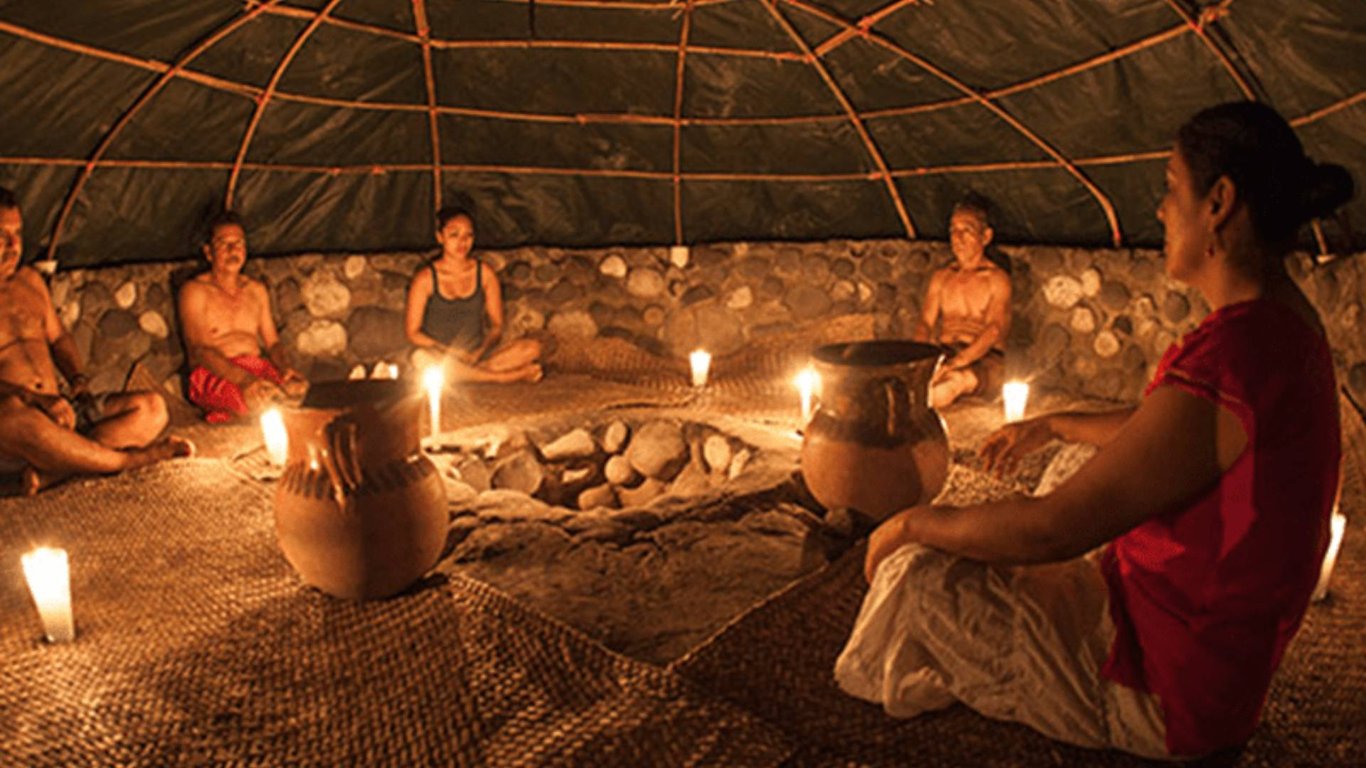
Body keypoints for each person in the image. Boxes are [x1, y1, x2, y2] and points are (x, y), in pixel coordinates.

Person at [836, 101, 1353, 759]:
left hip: (1167, 692)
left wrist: (910, 523)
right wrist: (1055, 425)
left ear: (1218, 202)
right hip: (1204, 653)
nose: (1162, 211)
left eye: (1171, 188)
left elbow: (1053, 530)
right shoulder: (1281, 325)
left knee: (914, 573)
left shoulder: (1238, 355)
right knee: (1069, 459)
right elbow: (1171, 432)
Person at [0, 186, 191, 494]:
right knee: (11, 415)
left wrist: (77, 380)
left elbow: (59, 337)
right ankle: (125, 461)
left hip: (61, 410)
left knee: (153, 407)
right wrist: (35, 398)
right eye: (1, 235)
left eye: (17, 234)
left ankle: (54, 473)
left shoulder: (30, 282)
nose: (13, 245)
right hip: (17, 425)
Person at [178, 211, 307, 423]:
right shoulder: (194, 291)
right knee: (256, 403)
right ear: (209, 252)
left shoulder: (256, 290)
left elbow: (273, 342)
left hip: (255, 369)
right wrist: (245, 381)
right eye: (224, 244)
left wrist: (285, 370)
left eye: (238, 244)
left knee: (294, 395)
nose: (232, 250)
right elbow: (200, 351)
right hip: (214, 373)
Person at [405, 207, 542, 383]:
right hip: (441, 354)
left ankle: (472, 374)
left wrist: (479, 351)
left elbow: (497, 326)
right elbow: (413, 333)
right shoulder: (425, 279)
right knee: (421, 358)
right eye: (454, 235)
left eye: (468, 235)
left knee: (532, 348)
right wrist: (450, 351)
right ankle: (504, 377)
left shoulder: (484, 273)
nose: (462, 242)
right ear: (440, 237)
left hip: (476, 354)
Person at [913, 195, 1012, 409]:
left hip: (985, 358)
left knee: (955, 381)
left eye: (966, 230)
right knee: (909, 381)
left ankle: (923, 405)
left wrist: (956, 363)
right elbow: (926, 323)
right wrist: (920, 361)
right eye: (953, 230)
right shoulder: (942, 277)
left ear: (985, 236)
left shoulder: (996, 279)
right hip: (946, 352)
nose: (957, 238)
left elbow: (995, 330)